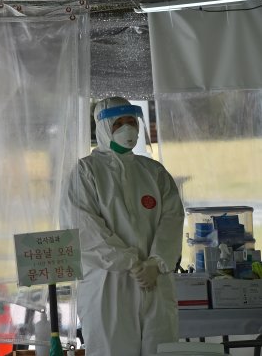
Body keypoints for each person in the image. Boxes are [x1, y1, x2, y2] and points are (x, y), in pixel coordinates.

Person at [62, 97, 184, 356]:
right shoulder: (87, 172)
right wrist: (131, 263)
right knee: (112, 349)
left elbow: (173, 219)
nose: (128, 128)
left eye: (132, 121)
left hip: (154, 282)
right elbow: (83, 228)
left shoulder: (154, 172)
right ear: (104, 127)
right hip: (108, 284)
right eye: (119, 123)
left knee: (160, 348)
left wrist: (155, 262)